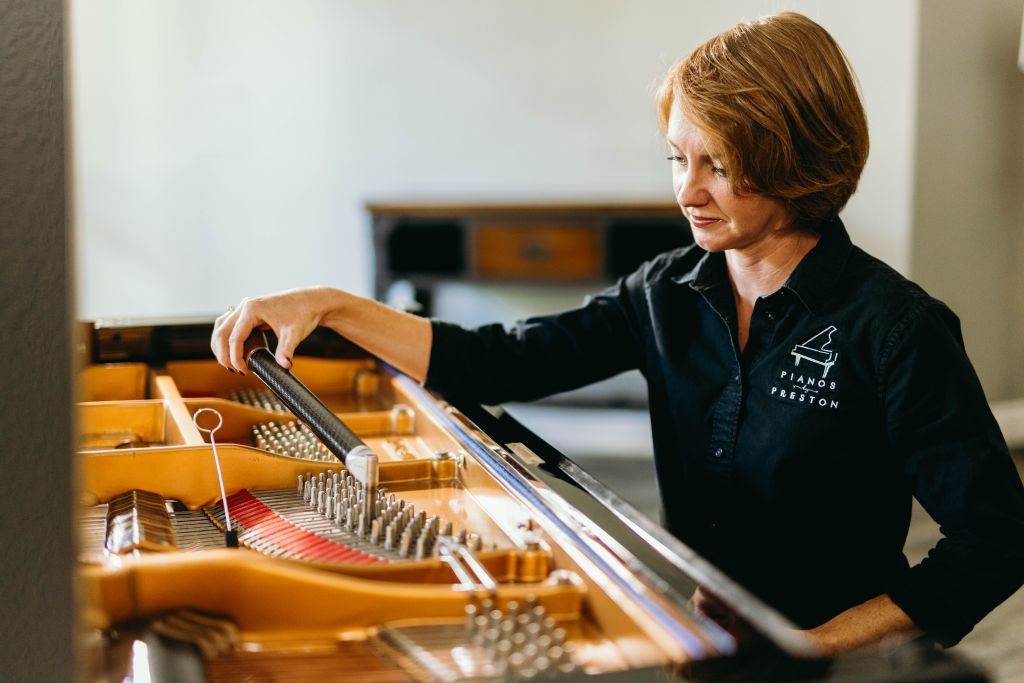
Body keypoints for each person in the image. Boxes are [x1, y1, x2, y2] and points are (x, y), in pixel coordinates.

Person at [212, 12, 1024, 656]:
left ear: (795, 158)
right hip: (697, 638)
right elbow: (498, 359)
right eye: (677, 158)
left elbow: (995, 539)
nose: (687, 192)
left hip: (837, 661)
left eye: (718, 165)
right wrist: (329, 305)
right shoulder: (665, 289)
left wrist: (814, 644)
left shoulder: (896, 327)